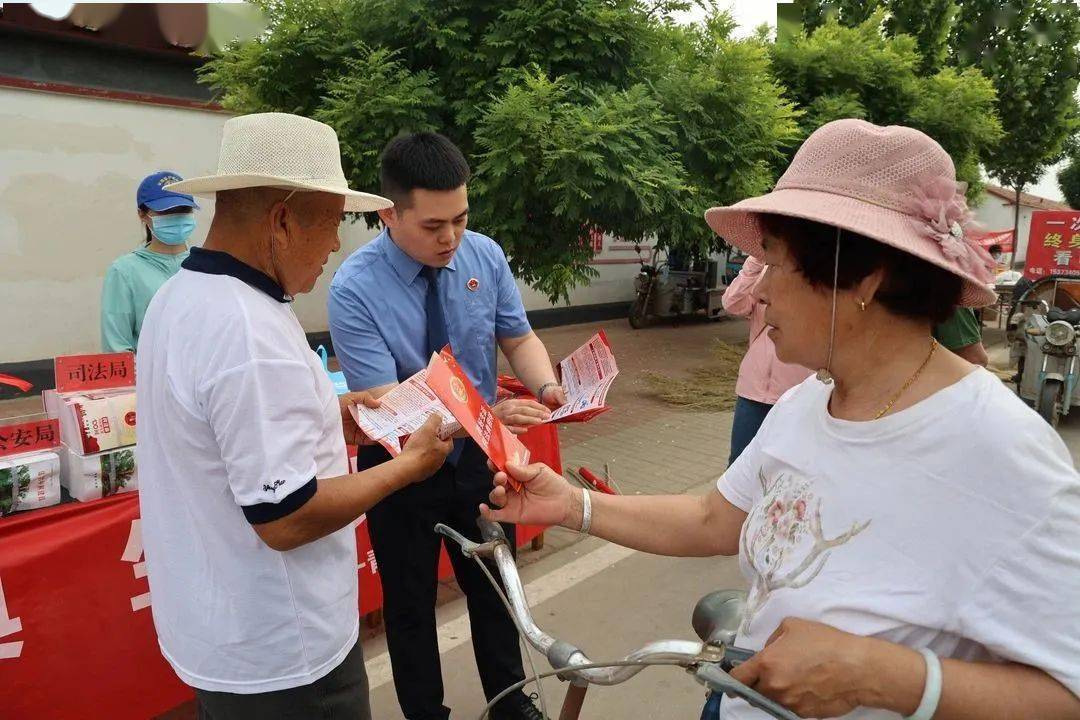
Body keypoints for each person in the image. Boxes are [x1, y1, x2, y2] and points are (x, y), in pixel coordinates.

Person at [478, 120, 1080, 720]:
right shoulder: (807, 403)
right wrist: (571, 505)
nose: (758, 291)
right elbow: (714, 519)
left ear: (863, 278)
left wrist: (882, 676)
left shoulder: (1000, 449)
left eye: (773, 261)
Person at [136, 113, 453, 720]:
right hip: (286, 653)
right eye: (331, 223)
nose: (335, 245)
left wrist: (327, 415)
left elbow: (219, 431)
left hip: (219, 631)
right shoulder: (248, 330)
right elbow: (285, 517)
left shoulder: (181, 295)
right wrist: (408, 467)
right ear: (281, 221)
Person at [328, 132, 563, 720]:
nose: (450, 238)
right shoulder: (354, 288)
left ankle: (511, 704)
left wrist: (547, 387)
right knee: (409, 604)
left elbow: (518, 337)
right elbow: (393, 409)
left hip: (481, 458)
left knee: (495, 587)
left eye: (460, 219)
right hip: (398, 465)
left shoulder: (484, 256)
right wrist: (484, 416)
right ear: (389, 214)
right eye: (433, 225)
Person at [720, 256, 811, 465]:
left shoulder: (815, 280)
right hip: (753, 391)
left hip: (797, 392)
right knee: (739, 461)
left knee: (786, 465)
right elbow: (732, 303)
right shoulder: (762, 275)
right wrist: (755, 261)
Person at [101, 171, 199, 352]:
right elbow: (117, 348)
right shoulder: (124, 272)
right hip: (149, 370)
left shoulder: (206, 265)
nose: (176, 217)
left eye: (183, 210)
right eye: (166, 212)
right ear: (142, 214)